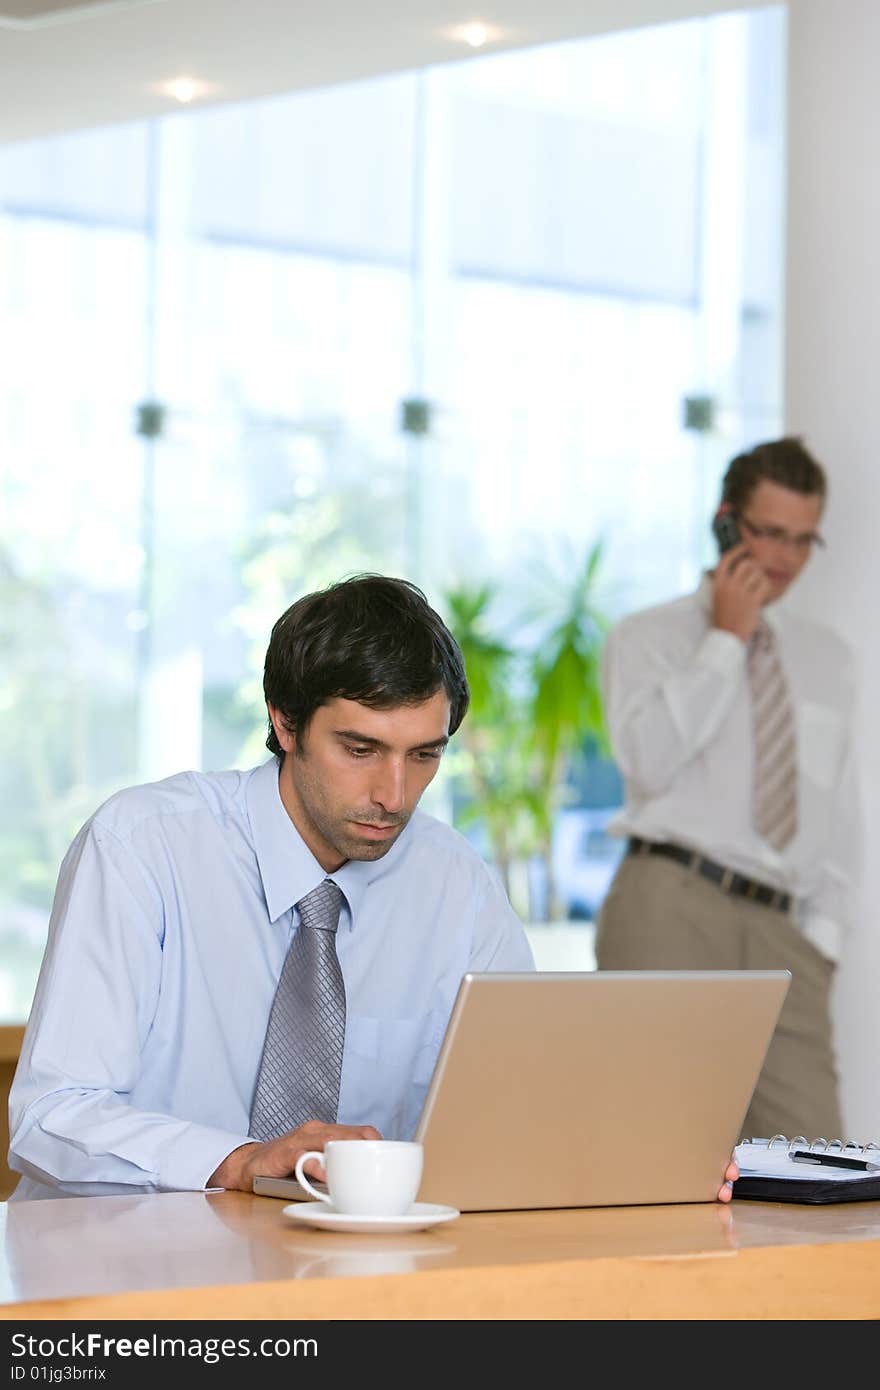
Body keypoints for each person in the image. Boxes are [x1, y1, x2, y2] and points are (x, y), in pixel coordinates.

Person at [9, 573, 737, 1203]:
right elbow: (52, 1117)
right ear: (284, 722)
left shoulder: (455, 885)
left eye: (425, 755)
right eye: (361, 750)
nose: (394, 793)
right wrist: (238, 1162)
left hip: (339, 1273)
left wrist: (643, 1156)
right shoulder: (143, 846)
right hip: (121, 1265)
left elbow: (519, 1106)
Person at [596, 438, 859, 1141]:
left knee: (819, 1157)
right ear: (725, 522)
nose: (784, 558)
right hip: (671, 907)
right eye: (769, 533)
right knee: (664, 1149)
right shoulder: (645, 637)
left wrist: (823, 942)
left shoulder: (827, 658)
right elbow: (648, 762)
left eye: (803, 540)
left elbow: (841, 813)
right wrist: (727, 638)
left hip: (785, 930)